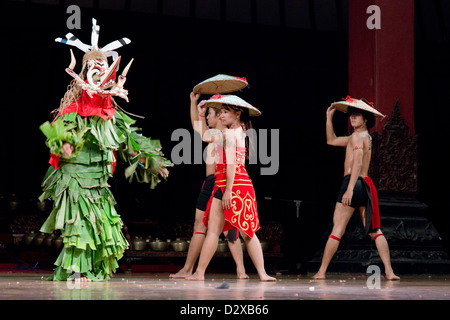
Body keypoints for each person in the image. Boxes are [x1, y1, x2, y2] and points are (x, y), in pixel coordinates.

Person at [38, 19, 172, 282]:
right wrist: (66, 143)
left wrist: (152, 161)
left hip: (99, 181)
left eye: (102, 68)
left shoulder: (111, 114)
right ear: (83, 73)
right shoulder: (71, 111)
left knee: (99, 223)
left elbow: (129, 142)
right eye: (92, 68)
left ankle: (88, 269)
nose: (98, 72)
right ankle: (77, 270)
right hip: (75, 177)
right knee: (79, 221)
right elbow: (56, 144)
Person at [186, 94, 276, 282]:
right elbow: (203, 135)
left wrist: (228, 190)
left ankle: (261, 273)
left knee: (246, 233)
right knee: (225, 231)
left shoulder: (232, 134)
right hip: (225, 183)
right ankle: (200, 273)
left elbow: (232, 164)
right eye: (222, 111)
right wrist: (200, 114)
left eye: (226, 112)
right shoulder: (230, 132)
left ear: (237, 114)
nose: (222, 115)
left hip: (235, 185)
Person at [312, 97, 400, 281]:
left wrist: (350, 189)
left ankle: (321, 272)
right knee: (375, 230)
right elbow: (331, 140)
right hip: (364, 184)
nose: (352, 118)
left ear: (366, 119)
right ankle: (390, 272)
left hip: (354, 183)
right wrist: (329, 118)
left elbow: (358, 163)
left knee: (337, 229)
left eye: (357, 115)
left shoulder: (359, 136)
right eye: (351, 115)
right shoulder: (360, 136)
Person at [169, 92, 248, 279]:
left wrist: (198, 110)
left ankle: (197, 269)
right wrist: (195, 104)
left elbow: (201, 132)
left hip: (220, 181)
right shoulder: (218, 133)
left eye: (211, 113)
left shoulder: (224, 133)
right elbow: (199, 128)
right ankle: (194, 269)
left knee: (228, 229)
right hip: (212, 182)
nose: (209, 117)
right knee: (223, 228)